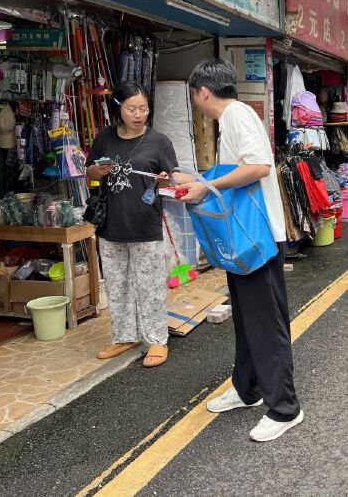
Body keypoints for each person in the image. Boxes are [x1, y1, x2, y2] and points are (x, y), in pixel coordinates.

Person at [179, 58, 303, 443]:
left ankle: (285, 408)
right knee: (249, 320)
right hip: (245, 241)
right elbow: (236, 173)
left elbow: (259, 167)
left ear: (203, 92)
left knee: (266, 324)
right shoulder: (233, 117)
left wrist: (205, 186)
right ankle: (248, 389)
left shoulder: (236, 115)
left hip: (257, 240)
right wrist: (198, 181)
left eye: (194, 96)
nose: (196, 103)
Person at [86, 81, 178, 367]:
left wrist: (165, 180)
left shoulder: (159, 141)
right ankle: (125, 336)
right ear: (118, 109)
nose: (139, 115)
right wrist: (97, 170)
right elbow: (89, 173)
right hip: (110, 225)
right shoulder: (105, 137)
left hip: (145, 224)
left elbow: (172, 181)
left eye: (143, 109)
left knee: (150, 286)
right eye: (132, 109)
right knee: (118, 285)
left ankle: (157, 339)